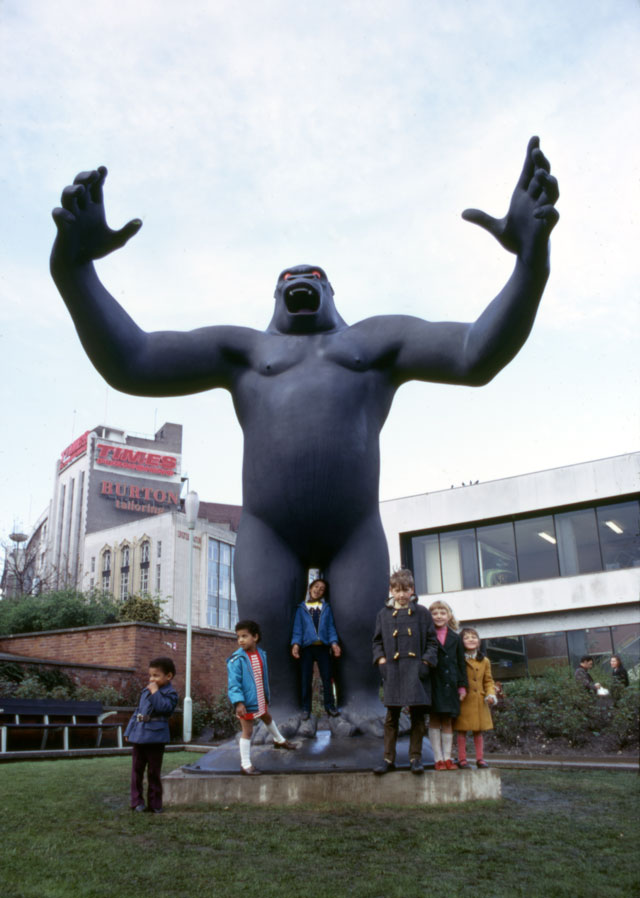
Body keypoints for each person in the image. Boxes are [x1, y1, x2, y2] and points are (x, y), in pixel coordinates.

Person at [50, 137, 559, 728]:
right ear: (276, 297)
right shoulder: (245, 350)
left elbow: (476, 354)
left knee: (368, 678)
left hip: (354, 529)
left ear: (331, 293)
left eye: (314, 277)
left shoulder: (372, 342)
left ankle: (365, 709)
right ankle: (284, 713)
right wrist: (73, 269)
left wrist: (531, 262)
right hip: (269, 530)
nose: (301, 282)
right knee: (278, 684)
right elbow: (132, 361)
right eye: (289, 279)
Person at [372, 569, 438, 774]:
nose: (401, 595)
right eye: (397, 590)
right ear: (391, 590)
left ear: (412, 590)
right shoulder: (383, 614)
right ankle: (388, 759)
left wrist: (425, 664)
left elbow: (432, 642)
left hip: (416, 672)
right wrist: (382, 661)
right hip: (393, 671)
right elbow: (377, 642)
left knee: (418, 717)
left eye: (405, 590)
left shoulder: (423, 613)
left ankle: (415, 758)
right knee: (392, 717)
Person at [227, 619, 297, 775]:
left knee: (266, 716)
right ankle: (245, 764)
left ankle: (279, 740)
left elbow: (260, 677)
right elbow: (234, 684)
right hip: (245, 702)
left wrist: (265, 695)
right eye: (238, 637)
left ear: (255, 637)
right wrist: (239, 702)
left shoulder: (261, 654)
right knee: (248, 732)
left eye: (244, 636)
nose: (240, 640)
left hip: (259, 697)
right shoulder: (236, 660)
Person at [125, 656, 178, 814]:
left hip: (156, 737)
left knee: (153, 772)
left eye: (156, 675)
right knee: (137, 771)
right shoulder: (145, 691)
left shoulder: (171, 693)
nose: (151, 679)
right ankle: (137, 802)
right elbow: (137, 712)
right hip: (139, 735)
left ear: (168, 676)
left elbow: (164, 708)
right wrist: (129, 730)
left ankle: (155, 804)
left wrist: (155, 692)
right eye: (150, 675)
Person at [291, 578, 341, 719]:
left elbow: (331, 628)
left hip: (323, 648)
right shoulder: (301, 608)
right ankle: (306, 709)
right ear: (310, 588)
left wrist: (334, 643)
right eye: (316, 586)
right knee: (306, 678)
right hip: (307, 648)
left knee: (327, 678)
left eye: (322, 589)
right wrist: (296, 644)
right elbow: (298, 629)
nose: (318, 590)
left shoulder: (326, 608)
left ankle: (330, 707)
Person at [428, 600, 467, 770]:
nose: (438, 616)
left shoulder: (456, 638)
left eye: (442, 613)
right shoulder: (427, 636)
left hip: (450, 685)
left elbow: (460, 663)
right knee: (434, 719)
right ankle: (438, 759)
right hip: (433, 684)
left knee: (448, 721)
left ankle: (448, 757)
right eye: (435, 613)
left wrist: (462, 686)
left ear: (449, 615)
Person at [454, 627, 497, 769]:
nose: (471, 639)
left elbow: (488, 680)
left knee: (479, 730)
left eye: (474, 637)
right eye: (466, 637)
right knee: (462, 730)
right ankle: (462, 759)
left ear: (479, 642)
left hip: (479, 700)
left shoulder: (485, 661)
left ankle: (480, 759)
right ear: (461, 642)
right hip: (463, 699)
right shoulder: (458, 659)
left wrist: (490, 694)